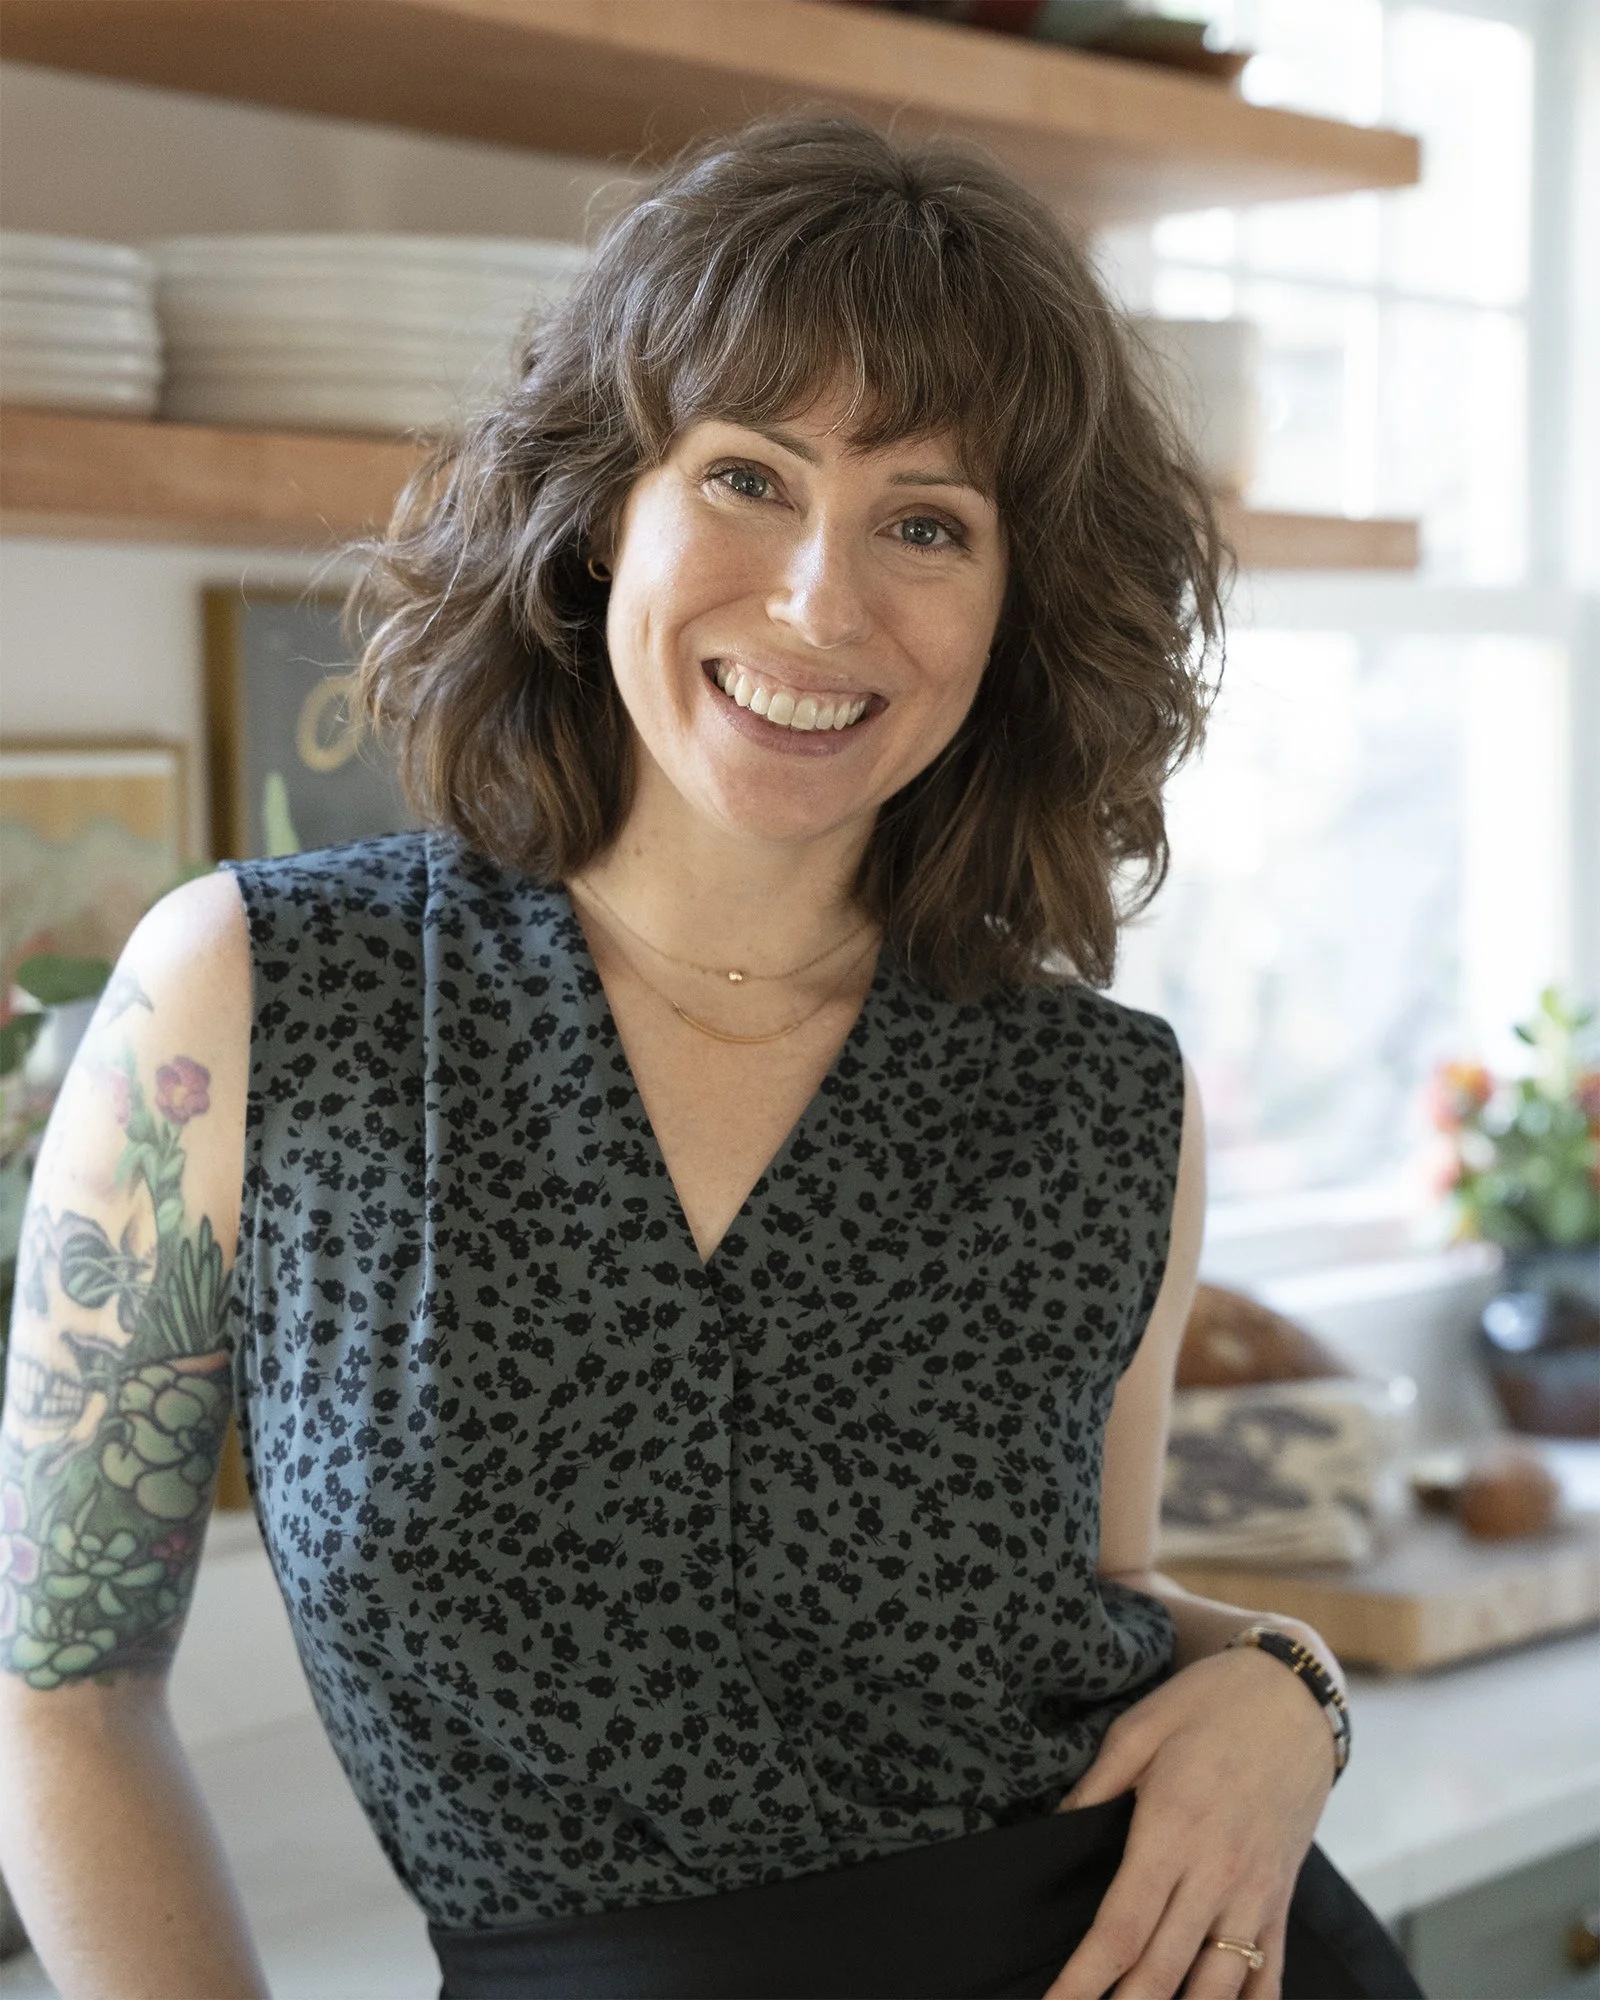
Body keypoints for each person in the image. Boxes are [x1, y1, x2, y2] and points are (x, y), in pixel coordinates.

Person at [0, 118, 1421, 2000]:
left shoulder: (1103, 1105)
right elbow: (65, 1688)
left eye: (928, 523)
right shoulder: (265, 995)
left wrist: (1292, 1692)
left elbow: (1093, 1609)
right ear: (607, 512)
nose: (823, 601)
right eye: (749, 476)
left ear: (1015, 607)